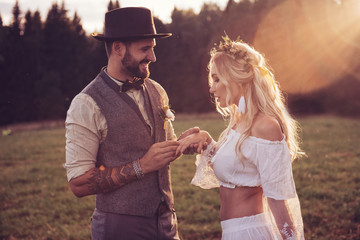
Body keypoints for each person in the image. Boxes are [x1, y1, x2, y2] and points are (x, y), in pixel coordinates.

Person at [64, 7, 196, 240]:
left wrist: (184, 144)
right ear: (118, 48)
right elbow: (78, 184)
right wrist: (141, 166)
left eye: (153, 49)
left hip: (166, 222)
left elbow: (162, 148)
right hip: (119, 228)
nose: (153, 57)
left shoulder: (157, 90)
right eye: (145, 49)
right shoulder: (86, 103)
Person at [176, 35, 305, 239]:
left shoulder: (266, 126)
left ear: (235, 78)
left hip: (250, 233)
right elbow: (234, 171)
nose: (212, 88)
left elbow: (278, 202)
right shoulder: (239, 122)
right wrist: (207, 141)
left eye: (217, 79)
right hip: (231, 233)